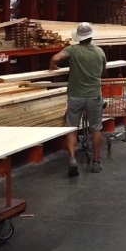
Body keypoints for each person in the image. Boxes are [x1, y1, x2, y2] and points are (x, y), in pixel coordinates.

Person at [49, 22, 107, 176]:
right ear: (91, 37)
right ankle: (96, 162)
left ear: (78, 37)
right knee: (96, 129)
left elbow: (55, 58)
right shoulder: (99, 52)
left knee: (72, 128)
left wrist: (53, 67)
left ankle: (72, 160)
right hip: (94, 96)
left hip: (75, 96)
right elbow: (103, 71)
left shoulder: (72, 50)